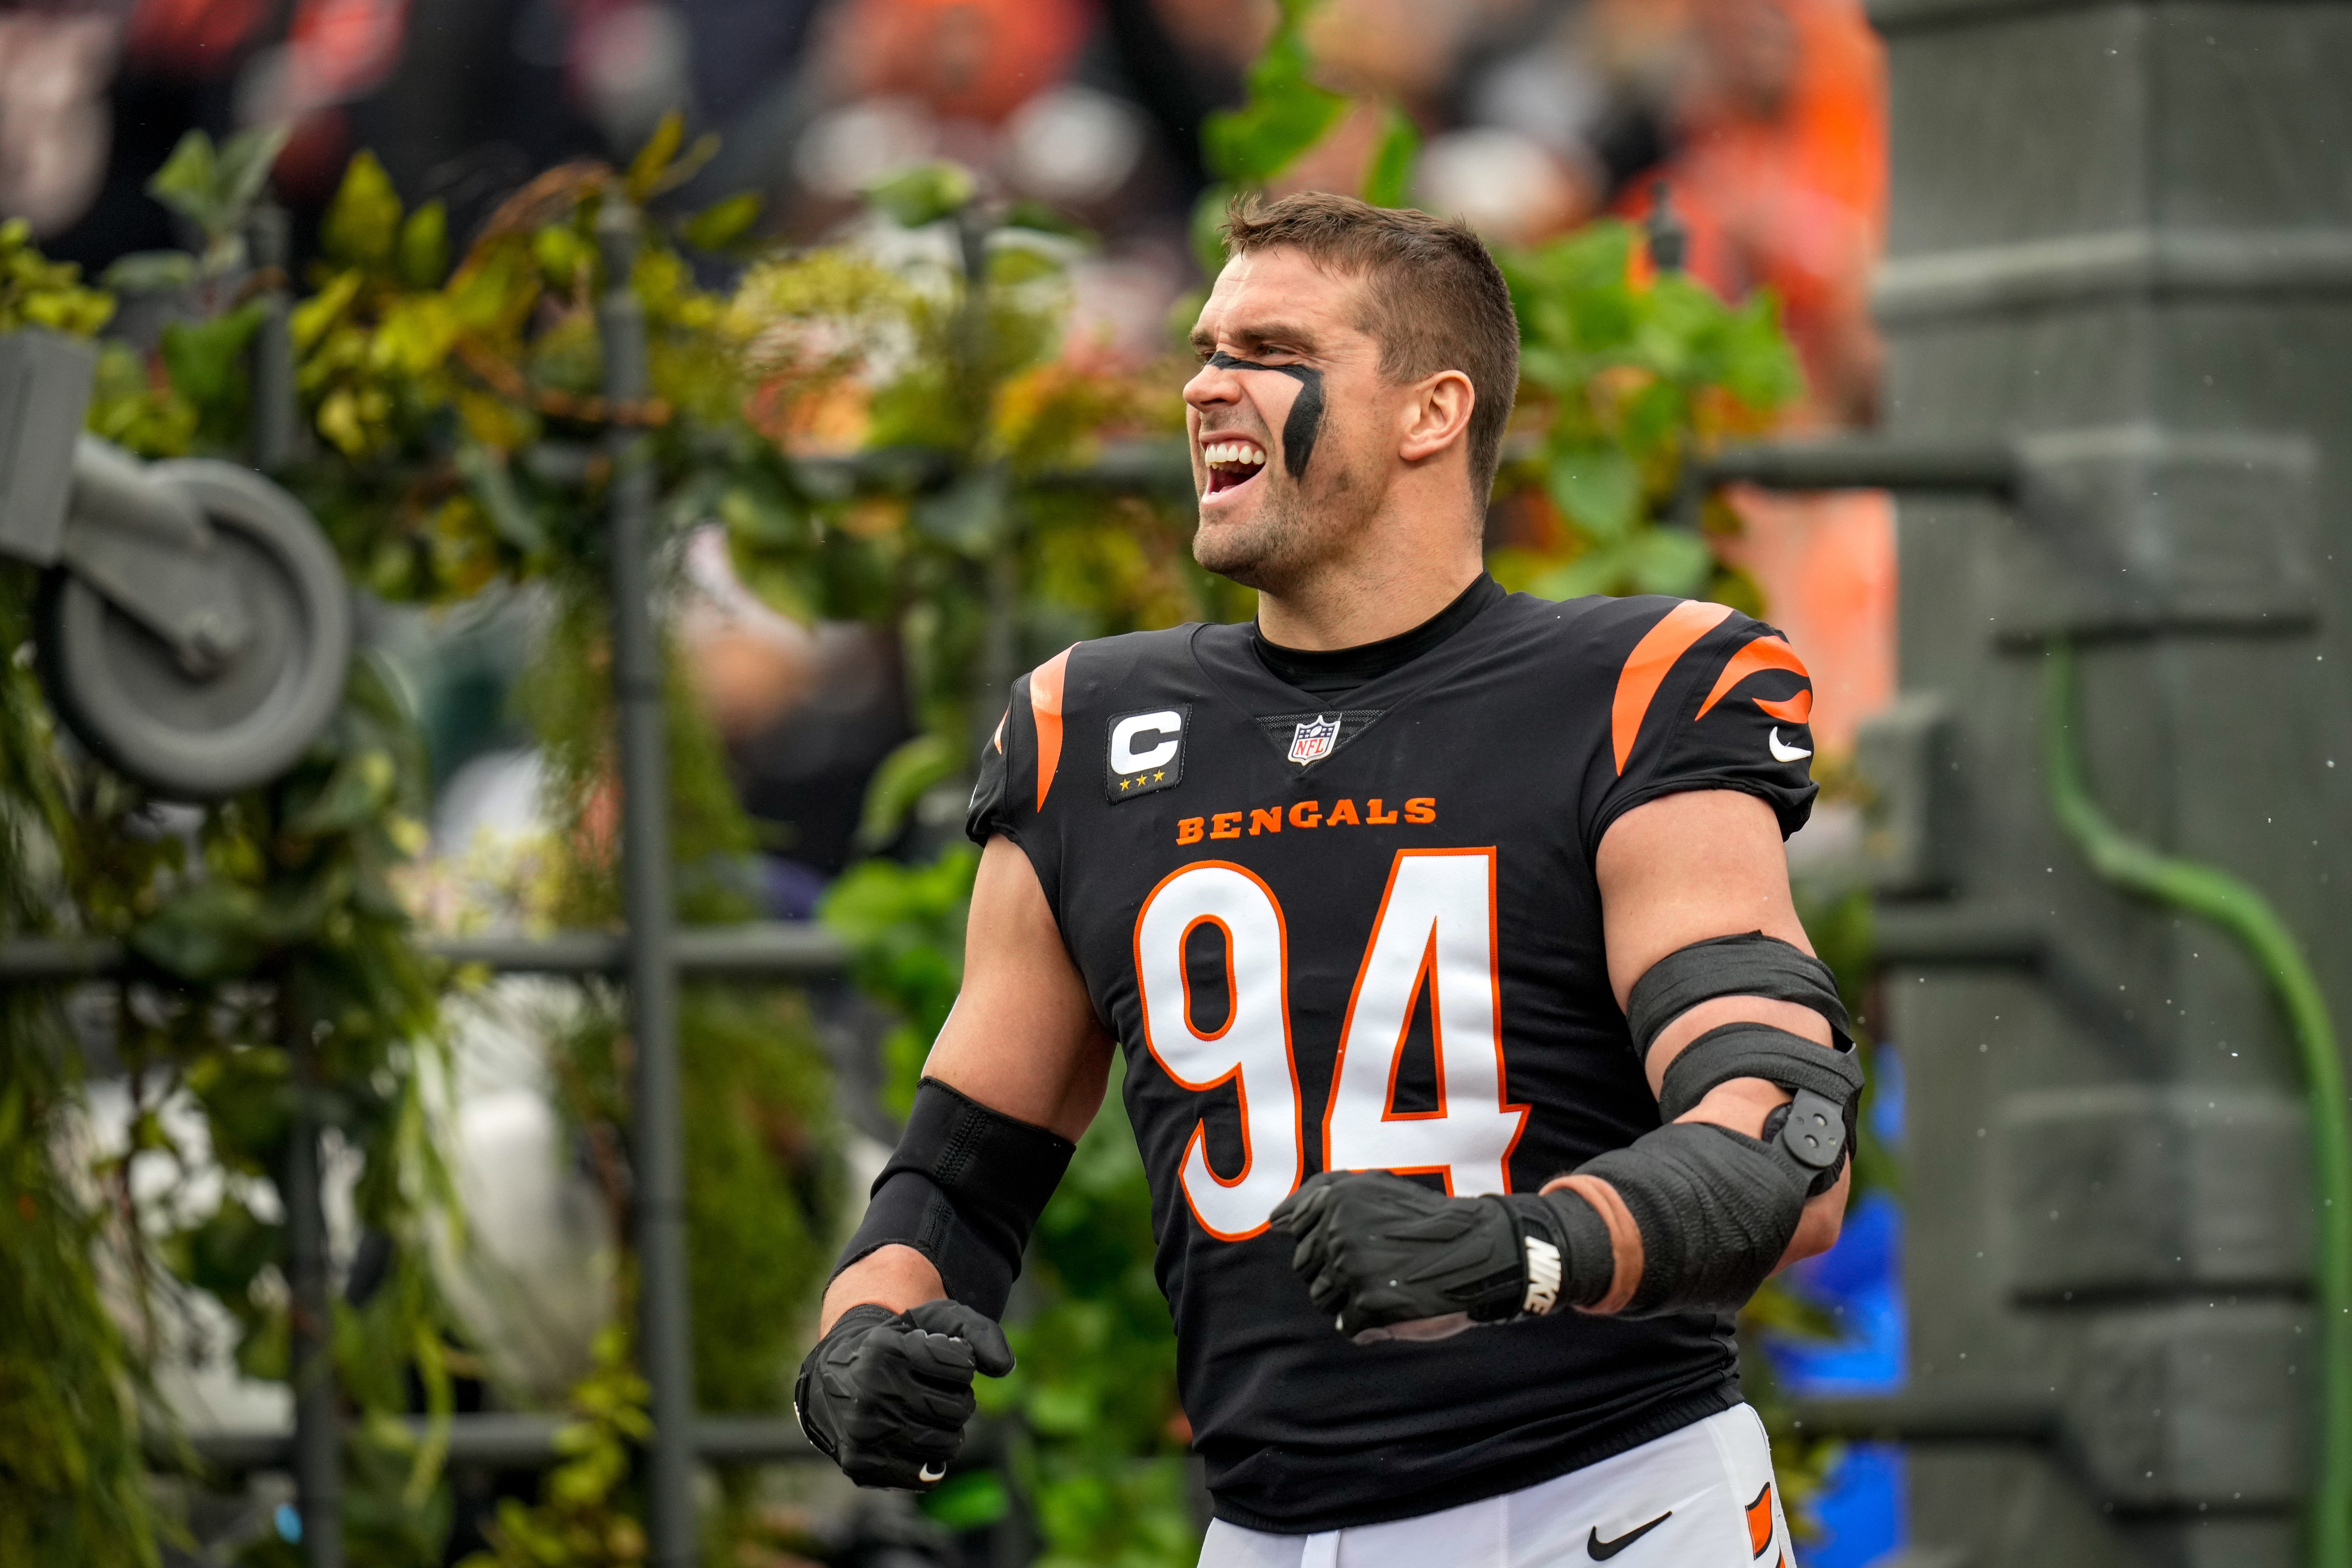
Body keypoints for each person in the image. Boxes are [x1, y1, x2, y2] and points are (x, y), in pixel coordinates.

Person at [794, 191, 1857, 1567]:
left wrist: (1520, 1250)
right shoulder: (1085, 729)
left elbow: (1784, 1139)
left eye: (1268, 350)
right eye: (1203, 346)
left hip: (1605, 1507)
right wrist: (863, 1336)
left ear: (1431, 412)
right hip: (1267, 1536)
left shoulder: (1629, 689)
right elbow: (958, 1177)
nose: (1203, 388)